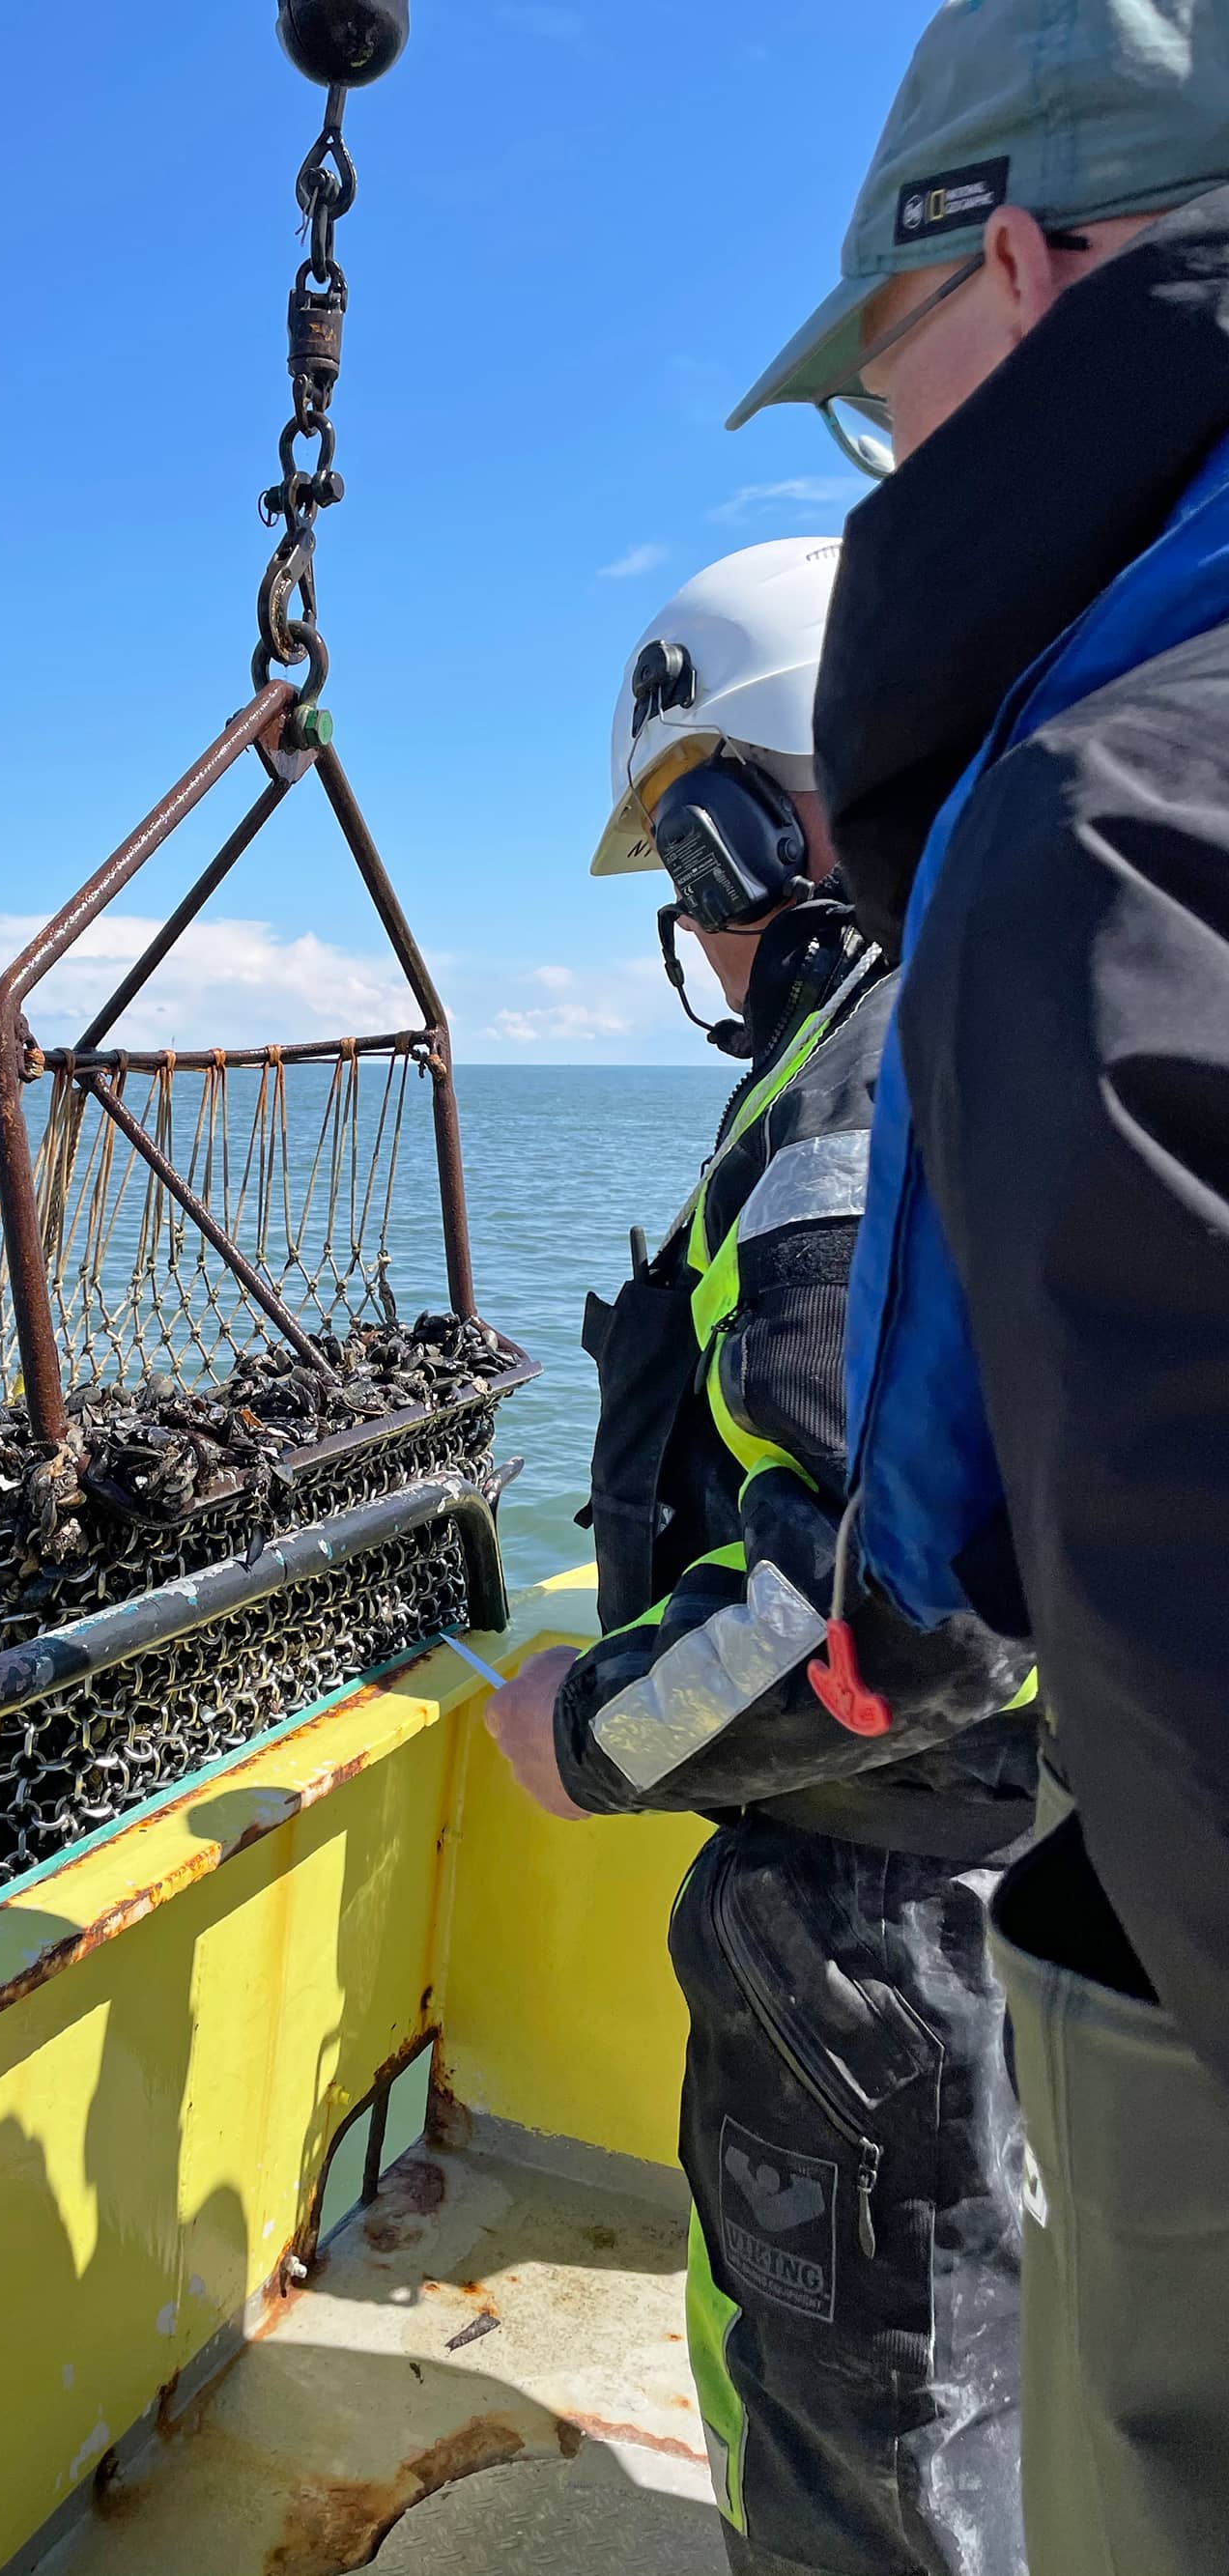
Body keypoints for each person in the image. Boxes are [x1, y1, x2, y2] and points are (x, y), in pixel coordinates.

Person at [724, 2, 1229, 2566]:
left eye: (874, 387)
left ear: (1011, 259)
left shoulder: (1102, 826)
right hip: (970, 1886)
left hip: (906, 1901)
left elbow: (873, 1584)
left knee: (892, 2407)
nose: (885, 455)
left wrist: (589, 1737)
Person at [486, 538, 1038, 2576]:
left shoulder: (846, 1110)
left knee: (860, 2456)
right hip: (1012, 1882)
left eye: (691, 866)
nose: (702, 938)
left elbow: (866, 1602)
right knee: (968, 2413)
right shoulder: (1006, 1016)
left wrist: (585, 1728)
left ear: (756, 823)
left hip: (870, 1931)